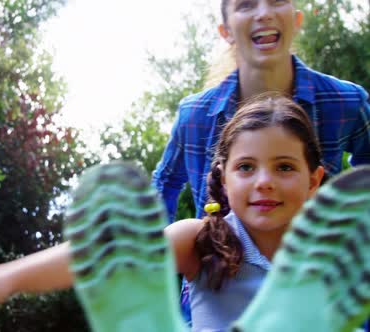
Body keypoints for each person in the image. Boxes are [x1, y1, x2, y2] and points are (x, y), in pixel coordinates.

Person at [0, 94, 370, 331]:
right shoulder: (203, 241)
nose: (264, 181)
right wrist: (6, 277)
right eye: (246, 167)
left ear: (314, 180)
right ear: (224, 179)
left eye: (284, 167)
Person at [151, 0, 370, 325]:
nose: (263, 12)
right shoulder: (195, 115)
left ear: (296, 20)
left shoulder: (346, 102)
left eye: (276, 1)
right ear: (225, 31)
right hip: (217, 291)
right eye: (246, 4)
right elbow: (164, 185)